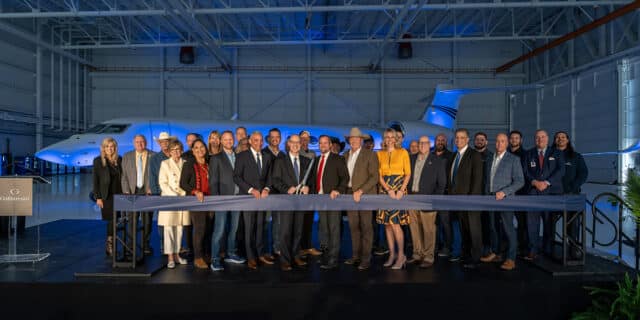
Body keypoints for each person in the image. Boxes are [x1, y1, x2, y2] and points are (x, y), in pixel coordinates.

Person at [479, 133, 524, 271]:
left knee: (508, 229)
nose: (499, 144)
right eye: (497, 141)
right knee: (493, 227)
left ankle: (511, 258)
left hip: (506, 199)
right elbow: (487, 179)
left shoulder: (513, 159)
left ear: (507, 143)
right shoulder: (489, 158)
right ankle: (496, 253)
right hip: (490, 198)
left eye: (502, 141)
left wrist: (504, 192)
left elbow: (520, 181)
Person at [271, 134, 313, 271]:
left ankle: (295, 255)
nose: (295, 145)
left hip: (301, 201)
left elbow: (310, 181)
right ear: (288, 144)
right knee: (285, 231)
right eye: (292, 142)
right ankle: (285, 259)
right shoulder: (280, 161)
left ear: (301, 144)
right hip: (286, 201)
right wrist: (286, 189)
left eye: (298, 142)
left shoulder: (306, 161)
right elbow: (275, 180)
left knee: (298, 231)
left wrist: (308, 188)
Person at [233, 131, 274, 270]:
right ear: (250, 141)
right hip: (248, 198)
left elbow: (269, 176)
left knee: (260, 227)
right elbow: (237, 177)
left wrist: (267, 188)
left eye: (261, 140)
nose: (259, 143)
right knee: (249, 228)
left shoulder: (267, 156)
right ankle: (251, 257)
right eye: (256, 140)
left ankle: (260, 254)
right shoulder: (241, 156)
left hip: (263, 199)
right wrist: (251, 190)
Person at [523, 130, 564, 260]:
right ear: (535, 140)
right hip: (533, 192)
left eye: (542, 137)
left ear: (547, 138)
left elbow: (561, 170)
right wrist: (534, 182)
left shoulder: (556, 153)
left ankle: (548, 250)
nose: (540, 139)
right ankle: (532, 250)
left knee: (549, 223)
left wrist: (547, 182)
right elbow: (525, 171)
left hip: (550, 193)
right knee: (532, 224)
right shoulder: (529, 154)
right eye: (537, 137)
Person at [407, 136, 446, 268]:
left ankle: (428, 257)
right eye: (420, 143)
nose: (422, 145)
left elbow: (442, 184)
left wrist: (433, 201)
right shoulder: (411, 159)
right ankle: (417, 254)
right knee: (414, 229)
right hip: (412, 199)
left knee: (428, 230)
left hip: (428, 201)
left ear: (429, 145)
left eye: (425, 143)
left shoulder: (437, 161)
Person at [342, 127, 379, 271]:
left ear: (361, 140)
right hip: (349, 194)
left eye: (357, 139)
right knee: (353, 227)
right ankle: (355, 255)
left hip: (365, 194)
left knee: (366, 227)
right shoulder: (345, 155)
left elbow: (374, 177)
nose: (354, 141)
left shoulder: (370, 155)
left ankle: (365, 258)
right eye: (351, 139)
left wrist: (361, 190)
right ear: (349, 140)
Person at [209, 131, 246, 271]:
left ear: (233, 140)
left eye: (231, 139)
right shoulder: (216, 158)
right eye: (226, 139)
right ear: (221, 141)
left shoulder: (239, 156)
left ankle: (231, 253)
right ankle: (215, 259)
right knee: (219, 230)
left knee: (234, 229)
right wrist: (216, 199)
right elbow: (213, 181)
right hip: (222, 199)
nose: (229, 141)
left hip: (238, 198)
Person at [448, 128, 484, 269]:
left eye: (462, 137)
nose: (458, 140)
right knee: (464, 229)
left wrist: (472, 200)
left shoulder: (473, 155)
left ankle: (475, 258)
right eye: (457, 137)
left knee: (474, 230)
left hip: (470, 200)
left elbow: (477, 179)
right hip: (456, 201)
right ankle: (467, 254)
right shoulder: (453, 156)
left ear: (467, 139)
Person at [377, 128, 411, 269]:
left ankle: (401, 256)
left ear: (396, 139)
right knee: (387, 225)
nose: (390, 139)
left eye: (392, 137)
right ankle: (392, 255)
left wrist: (401, 190)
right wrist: (388, 189)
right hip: (385, 190)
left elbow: (408, 174)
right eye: (387, 137)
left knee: (396, 224)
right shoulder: (379, 154)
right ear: (384, 139)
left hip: (399, 189)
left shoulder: (403, 152)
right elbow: (379, 175)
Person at [312, 135, 349, 270]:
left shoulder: (338, 159)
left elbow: (345, 178)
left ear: (330, 145)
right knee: (324, 228)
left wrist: (338, 190)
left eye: (325, 143)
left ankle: (333, 258)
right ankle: (326, 256)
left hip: (333, 199)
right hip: (320, 199)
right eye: (320, 143)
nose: (322, 145)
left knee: (334, 229)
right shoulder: (316, 160)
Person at [553, 131, 588, 259]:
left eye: (563, 137)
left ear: (567, 140)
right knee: (549, 222)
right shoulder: (549, 155)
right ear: (555, 140)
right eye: (558, 137)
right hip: (552, 196)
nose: (560, 139)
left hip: (571, 195)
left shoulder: (576, 157)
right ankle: (549, 247)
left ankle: (573, 247)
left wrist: (572, 187)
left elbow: (583, 174)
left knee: (573, 223)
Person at [179, 139, 214, 269]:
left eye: (202, 147)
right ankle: (198, 257)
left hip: (210, 200)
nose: (200, 150)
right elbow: (183, 183)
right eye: (196, 148)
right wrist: (195, 191)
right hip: (196, 200)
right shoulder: (189, 164)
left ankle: (206, 254)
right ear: (193, 151)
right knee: (200, 228)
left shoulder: (209, 162)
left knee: (209, 228)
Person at [121, 134, 156, 255]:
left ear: (145, 143)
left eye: (142, 141)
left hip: (147, 192)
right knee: (132, 220)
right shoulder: (127, 156)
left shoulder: (154, 156)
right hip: (132, 191)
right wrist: (126, 190)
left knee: (147, 220)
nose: (139, 144)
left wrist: (152, 188)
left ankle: (146, 245)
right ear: (133, 143)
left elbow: (156, 175)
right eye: (137, 142)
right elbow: (124, 176)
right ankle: (131, 245)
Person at [158, 140, 190, 269]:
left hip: (183, 199)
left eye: (178, 149)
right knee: (169, 228)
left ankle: (177, 254)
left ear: (181, 150)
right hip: (169, 199)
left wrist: (183, 195)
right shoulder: (165, 164)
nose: (176, 152)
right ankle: (170, 256)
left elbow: (188, 181)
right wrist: (173, 195)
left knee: (179, 228)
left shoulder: (186, 164)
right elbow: (163, 183)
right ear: (169, 152)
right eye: (173, 150)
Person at [92, 137, 122, 257]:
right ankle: (110, 245)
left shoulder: (119, 159)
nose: (110, 149)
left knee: (117, 220)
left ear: (115, 148)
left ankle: (113, 244)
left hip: (119, 194)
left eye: (112, 146)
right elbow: (95, 180)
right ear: (103, 148)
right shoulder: (98, 161)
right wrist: (98, 197)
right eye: (107, 146)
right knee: (111, 220)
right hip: (106, 196)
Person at [433, 132, 459, 260]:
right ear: (435, 141)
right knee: (434, 223)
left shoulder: (451, 156)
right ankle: (436, 246)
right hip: (431, 195)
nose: (440, 142)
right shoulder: (430, 155)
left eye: (443, 140)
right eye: (438, 140)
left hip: (444, 194)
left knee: (446, 223)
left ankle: (448, 247)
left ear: (446, 142)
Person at [148, 132, 175, 253]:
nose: (164, 144)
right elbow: (152, 177)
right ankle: (164, 245)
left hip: (176, 194)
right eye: (162, 142)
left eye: (166, 141)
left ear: (170, 142)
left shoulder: (175, 155)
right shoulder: (154, 159)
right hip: (162, 194)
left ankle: (175, 245)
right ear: (159, 144)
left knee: (176, 221)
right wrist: (156, 194)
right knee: (163, 221)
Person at [298, 130, 322, 257]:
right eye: (302, 138)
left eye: (307, 138)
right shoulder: (295, 153)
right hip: (299, 192)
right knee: (299, 222)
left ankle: (307, 246)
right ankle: (299, 247)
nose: (304, 141)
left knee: (308, 221)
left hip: (311, 193)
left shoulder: (313, 154)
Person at [263, 128, 285, 258]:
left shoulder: (283, 155)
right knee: (265, 223)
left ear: (280, 139)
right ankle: (265, 250)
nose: (275, 139)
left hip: (280, 194)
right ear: (268, 138)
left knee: (279, 222)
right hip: (266, 193)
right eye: (273, 137)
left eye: (277, 137)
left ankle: (277, 248)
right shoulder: (263, 153)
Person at [508, 130, 529, 256]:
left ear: (520, 140)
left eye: (517, 138)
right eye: (512, 138)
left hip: (521, 192)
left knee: (522, 222)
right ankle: (509, 245)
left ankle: (522, 247)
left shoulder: (526, 155)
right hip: (506, 192)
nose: (514, 140)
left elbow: (525, 174)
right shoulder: (505, 154)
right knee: (506, 221)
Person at [180, 133, 199, 255]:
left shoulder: (205, 156)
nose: (191, 142)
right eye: (189, 140)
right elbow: (183, 182)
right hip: (190, 195)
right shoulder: (185, 157)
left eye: (194, 140)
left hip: (203, 196)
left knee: (200, 225)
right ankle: (190, 248)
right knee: (188, 224)